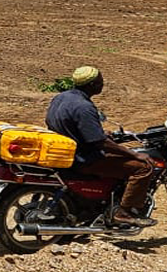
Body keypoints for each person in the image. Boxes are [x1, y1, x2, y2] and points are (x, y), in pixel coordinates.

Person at [44, 66, 157, 227]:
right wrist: (133, 154)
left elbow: (71, 126)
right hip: (84, 159)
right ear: (91, 85)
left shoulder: (61, 98)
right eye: (100, 81)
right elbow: (99, 142)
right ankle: (123, 212)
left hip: (66, 153)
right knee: (143, 167)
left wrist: (100, 133)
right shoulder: (84, 107)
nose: (102, 83)